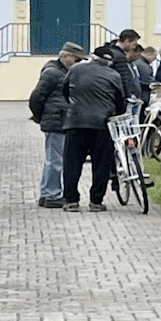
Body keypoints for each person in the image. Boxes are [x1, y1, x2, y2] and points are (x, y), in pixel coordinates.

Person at [60, 44, 127, 212]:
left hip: (76, 122)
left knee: (72, 163)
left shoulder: (75, 70)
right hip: (102, 125)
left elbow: (65, 91)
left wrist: (75, 107)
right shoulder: (114, 75)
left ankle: (71, 200)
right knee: (101, 164)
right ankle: (96, 201)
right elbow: (120, 101)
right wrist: (115, 113)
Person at [29, 43, 81, 208]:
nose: (78, 62)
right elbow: (36, 96)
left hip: (57, 119)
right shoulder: (53, 73)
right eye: (76, 58)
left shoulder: (59, 71)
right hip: (56, 121)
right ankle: (52, 194)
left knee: (52, 158)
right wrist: (40, 116)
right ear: (65, 56)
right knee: (56, 160)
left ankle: (47, 193)